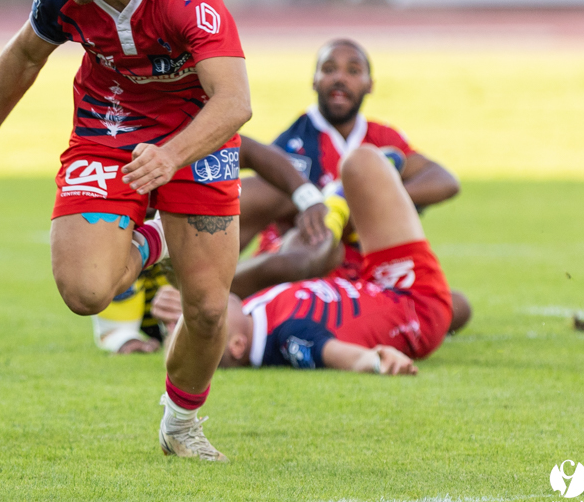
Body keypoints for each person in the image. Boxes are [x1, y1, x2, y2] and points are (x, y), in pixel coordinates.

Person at [0, 0, 250, 461]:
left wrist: (169, 156)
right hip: (107, 127)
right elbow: (24, 55)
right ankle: (154, 234)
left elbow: (234, 103)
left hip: (195, 131)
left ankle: (181, 425)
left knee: (210, 308)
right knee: (87, 292)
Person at [154, 144, 457, 374]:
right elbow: (331, 352)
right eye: (209, 323)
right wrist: (374, 361)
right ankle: (339, 204)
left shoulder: (251, 313)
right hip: (413, 301)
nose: (203, 314)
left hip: (371, 284)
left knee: (361, 166)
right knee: (361, 162)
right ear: (237, 345)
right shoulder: (287, 337)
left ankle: (345, 204)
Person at [93, 135, 330, 355]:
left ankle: (303, 247)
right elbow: (118, 330)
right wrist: (127, 340)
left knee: (272, 195)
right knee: (288, 264)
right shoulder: (117, 223)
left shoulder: (181, 136)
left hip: (203, 254)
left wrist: (309, 200)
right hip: (181, 302)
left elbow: (245, 149)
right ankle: (235, 291)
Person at [240, 38, 460, 270]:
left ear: (370, 85)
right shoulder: (293, 144)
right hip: (301, 262)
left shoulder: (382, 138)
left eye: (353, 71)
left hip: (358, 266)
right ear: (314, 81)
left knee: (454, 305)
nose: (340, 78)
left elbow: (444, 180)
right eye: (329, 69)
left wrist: (377, 202)